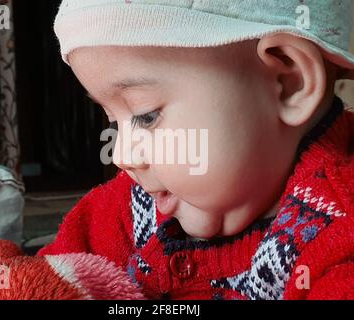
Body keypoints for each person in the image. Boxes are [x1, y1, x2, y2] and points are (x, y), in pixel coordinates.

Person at [39, 0, 354, 299]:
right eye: (112, 120)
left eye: (145, 115)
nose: (121, 156)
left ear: (289, 82)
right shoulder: (133, 208)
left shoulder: (340, 235)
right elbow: (42, 276)